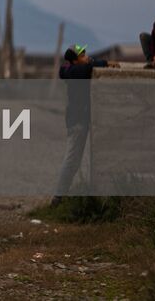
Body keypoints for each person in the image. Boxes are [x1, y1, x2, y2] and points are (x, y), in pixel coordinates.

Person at [52, 44, 119, 205]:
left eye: (85, 53)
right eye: (82, 55)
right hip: (77, 121)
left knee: (74, 159)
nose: (86, 56)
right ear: (75, 60)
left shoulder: (73, 68)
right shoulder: (75, 72)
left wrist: (98, 62)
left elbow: (88, 64)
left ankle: (61, 196)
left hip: (80, 118)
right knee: (72, 159)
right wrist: (104, 64)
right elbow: (87, 67)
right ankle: (58, 197)